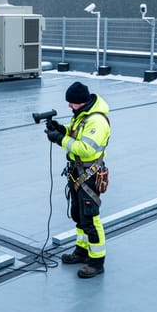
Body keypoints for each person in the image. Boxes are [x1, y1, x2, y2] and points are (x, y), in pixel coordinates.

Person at [44, 81, 111, 278]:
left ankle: (97, 262)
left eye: (71, 103)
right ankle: (82, 251)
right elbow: (76, 134)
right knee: (79, 215)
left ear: (81, 102)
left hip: (89, 176)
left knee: (90, 218)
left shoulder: (97, 121)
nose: (69, 106)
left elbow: (86, 148)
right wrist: (62, 129)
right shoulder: (82, 115)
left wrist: (59, 139)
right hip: (77, 174)